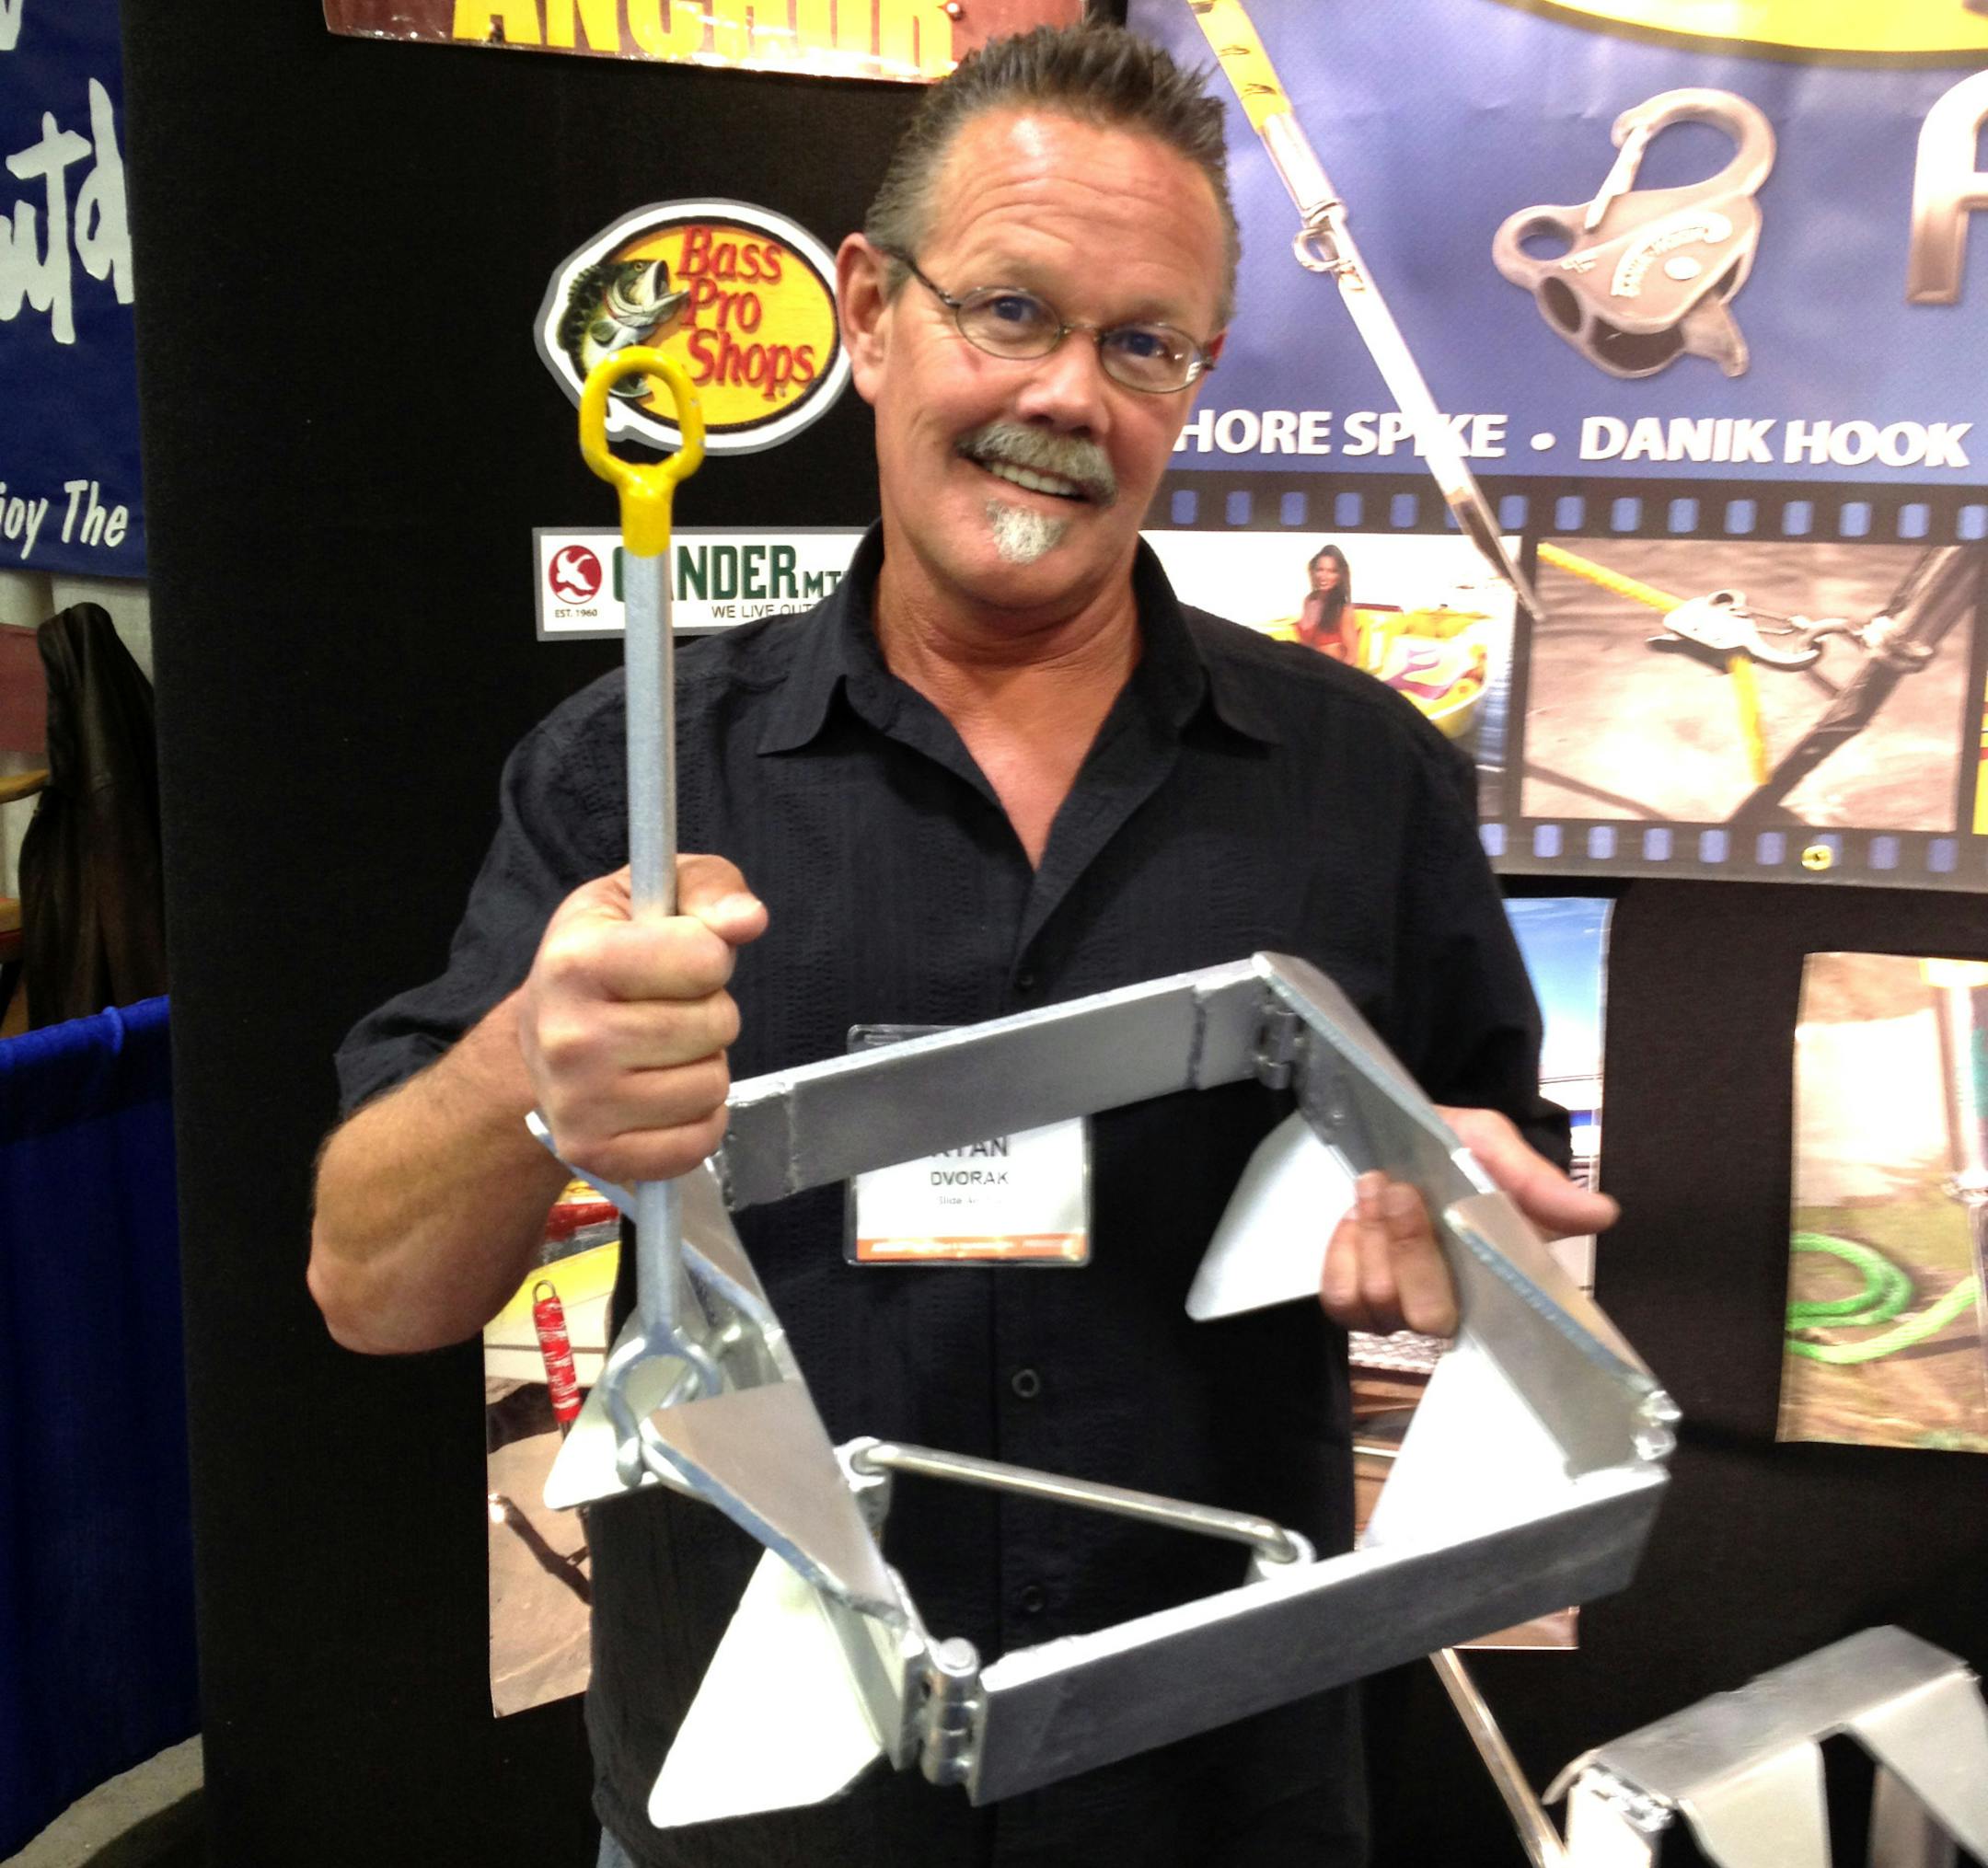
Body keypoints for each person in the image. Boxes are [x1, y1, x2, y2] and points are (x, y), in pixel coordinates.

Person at [309, 23, 1615, 1868]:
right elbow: (370, 1284)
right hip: (769, 1821)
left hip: (1209, 1803)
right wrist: (531, 1074)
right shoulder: (639, 776)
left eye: (1143, 344)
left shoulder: (1363, 781)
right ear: (870, 312)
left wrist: (1467, 1224)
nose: (1069, 393)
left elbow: (1505, 1182)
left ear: (1198, 378)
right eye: (1010, 310)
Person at [1297, 542, 1358, 663]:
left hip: (1333, 670)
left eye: (1332, 571)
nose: (1324, 576)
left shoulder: (1343, 610)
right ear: (1313, 571)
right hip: (1309, 667)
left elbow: (1352, 657)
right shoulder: (1309, 601)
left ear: (1340, 576)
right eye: (1320, 570)